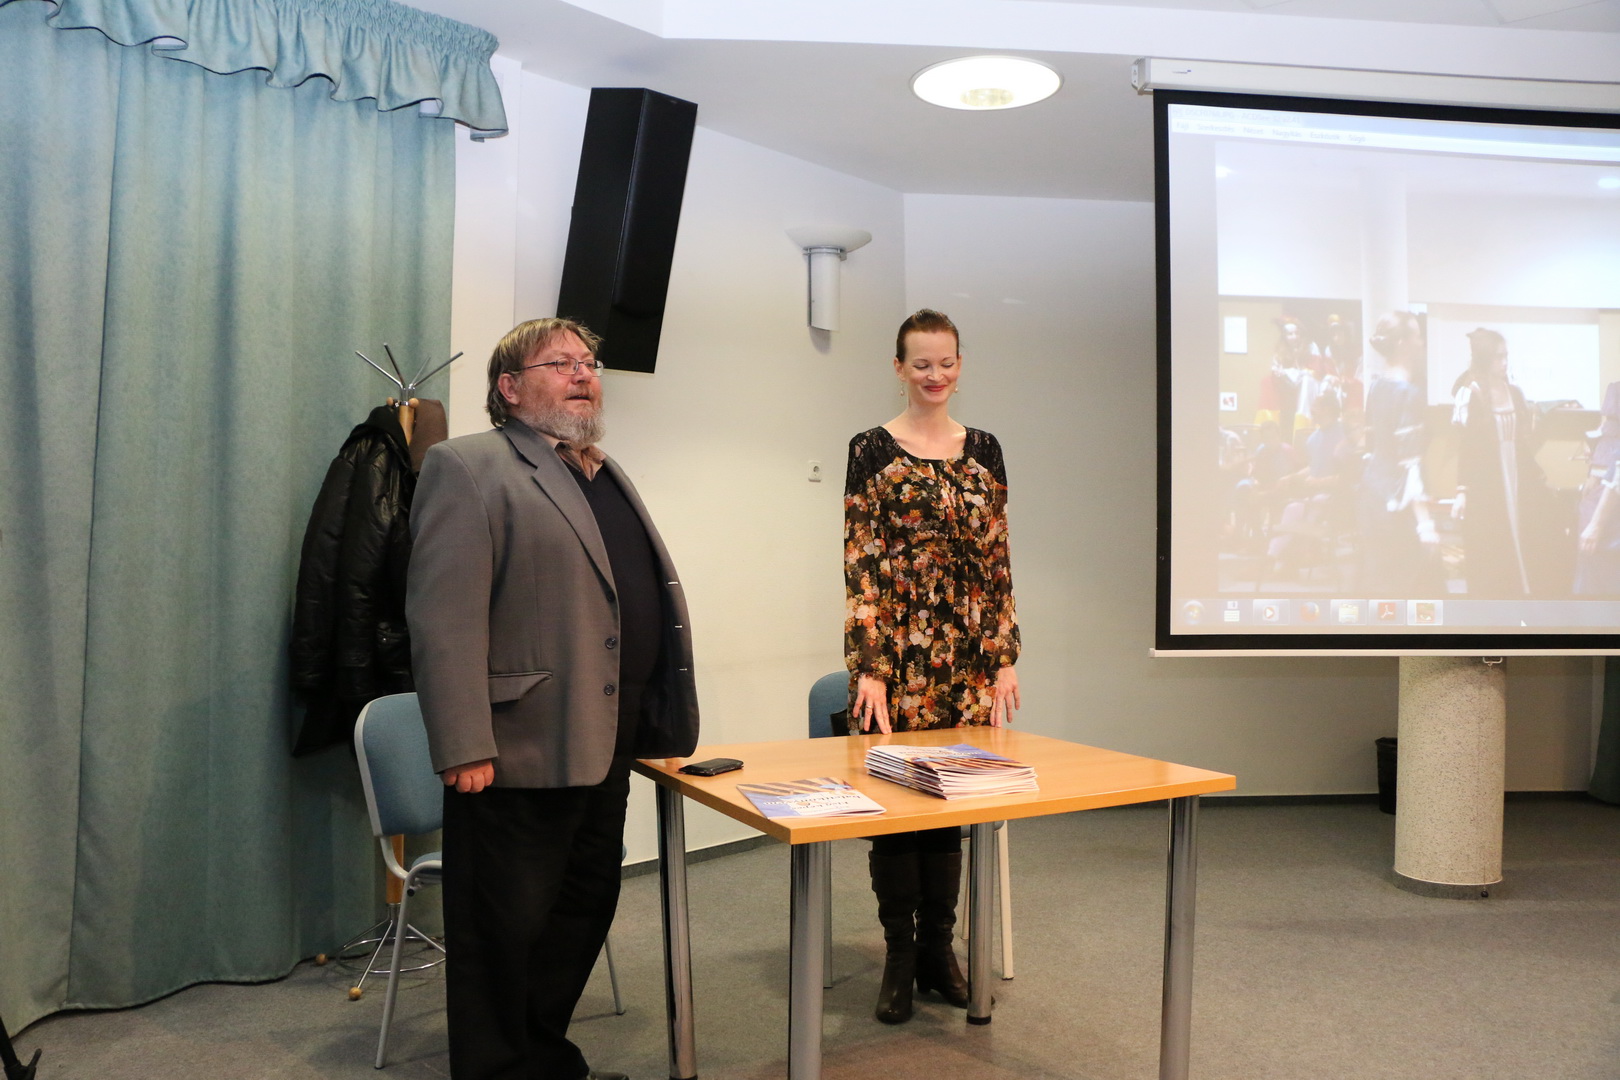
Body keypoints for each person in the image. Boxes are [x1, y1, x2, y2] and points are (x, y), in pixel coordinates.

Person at [407, 317, 700, 1080]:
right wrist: (464, 741)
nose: (583, 374)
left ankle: (543, 1059)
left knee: (582, 907)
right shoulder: (467, 465)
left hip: (605, 738)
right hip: (516, 746)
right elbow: (443, 617)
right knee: (504, 927)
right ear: (509, 387)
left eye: (589, 363)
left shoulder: (602, 470)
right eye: (561, 363)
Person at [843, 309, 1021, 1025]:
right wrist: (870, 667)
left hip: (969, 664)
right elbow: (861, 561)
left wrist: (1004, 658)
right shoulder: (870, 449)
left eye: (946, 362)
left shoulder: (986, 450)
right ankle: (898, 954)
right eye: (921, 363)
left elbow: (998, 559)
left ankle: (939, 952)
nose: (935, 375)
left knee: (950, 813)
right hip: (897, 660)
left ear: (959, 364)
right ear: (899, 367)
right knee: (897, 813)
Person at [1450, 328, 1543, 596]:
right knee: (1493, 539)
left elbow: (1521, 443)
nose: (1504, 362)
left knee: (1525, 532)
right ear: (1484, 358)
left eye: (1506, 356)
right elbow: (1468, 447)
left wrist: (1537, 476)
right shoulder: (1472, 394)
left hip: (1517, 475)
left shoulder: (1514, 392)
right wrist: (1462, 490)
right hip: (1489, 481)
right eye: (1498, 357)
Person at [1358, 310, 1443, 596]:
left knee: (1379, 587)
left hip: (1372, 499)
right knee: (1414, 592)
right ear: (1403, 343)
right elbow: (1410, 464)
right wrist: (1425, 524)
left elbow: (1371, 449)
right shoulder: (1408, 393)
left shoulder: (1376, 387)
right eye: (1417, 336)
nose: (1422, 342)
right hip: (1398, 507)